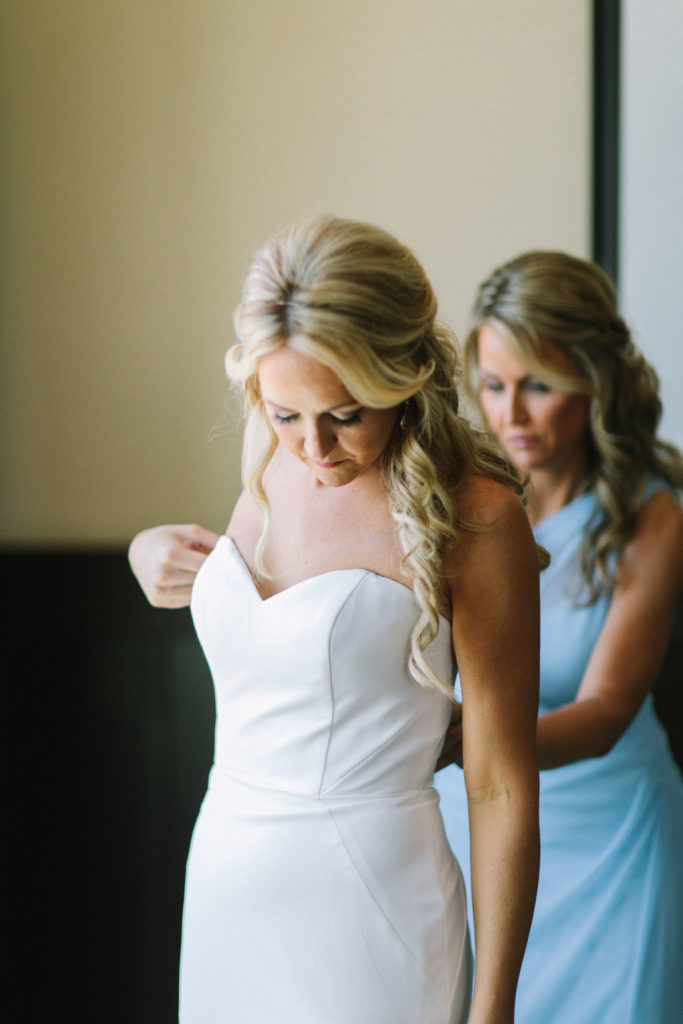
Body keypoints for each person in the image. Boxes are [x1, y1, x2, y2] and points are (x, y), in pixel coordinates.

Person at [128, 215, 541, 1024]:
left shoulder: (478, 520)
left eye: (346, 414)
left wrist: (493, 1011)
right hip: (221, 891)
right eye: (284, 413)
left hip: (368, 911)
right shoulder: (270, 454)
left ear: (404, 376)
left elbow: (498, 787)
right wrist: (147, 553)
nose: (312, 448)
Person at [436, 250, 683, 1024]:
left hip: (614, 844)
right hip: (476, 834)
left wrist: (466, 740)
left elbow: (607, 710)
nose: (510, 413)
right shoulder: (453, 500)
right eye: (494, 385)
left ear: (594, 383)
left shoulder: (651, 516)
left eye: (539, 386)